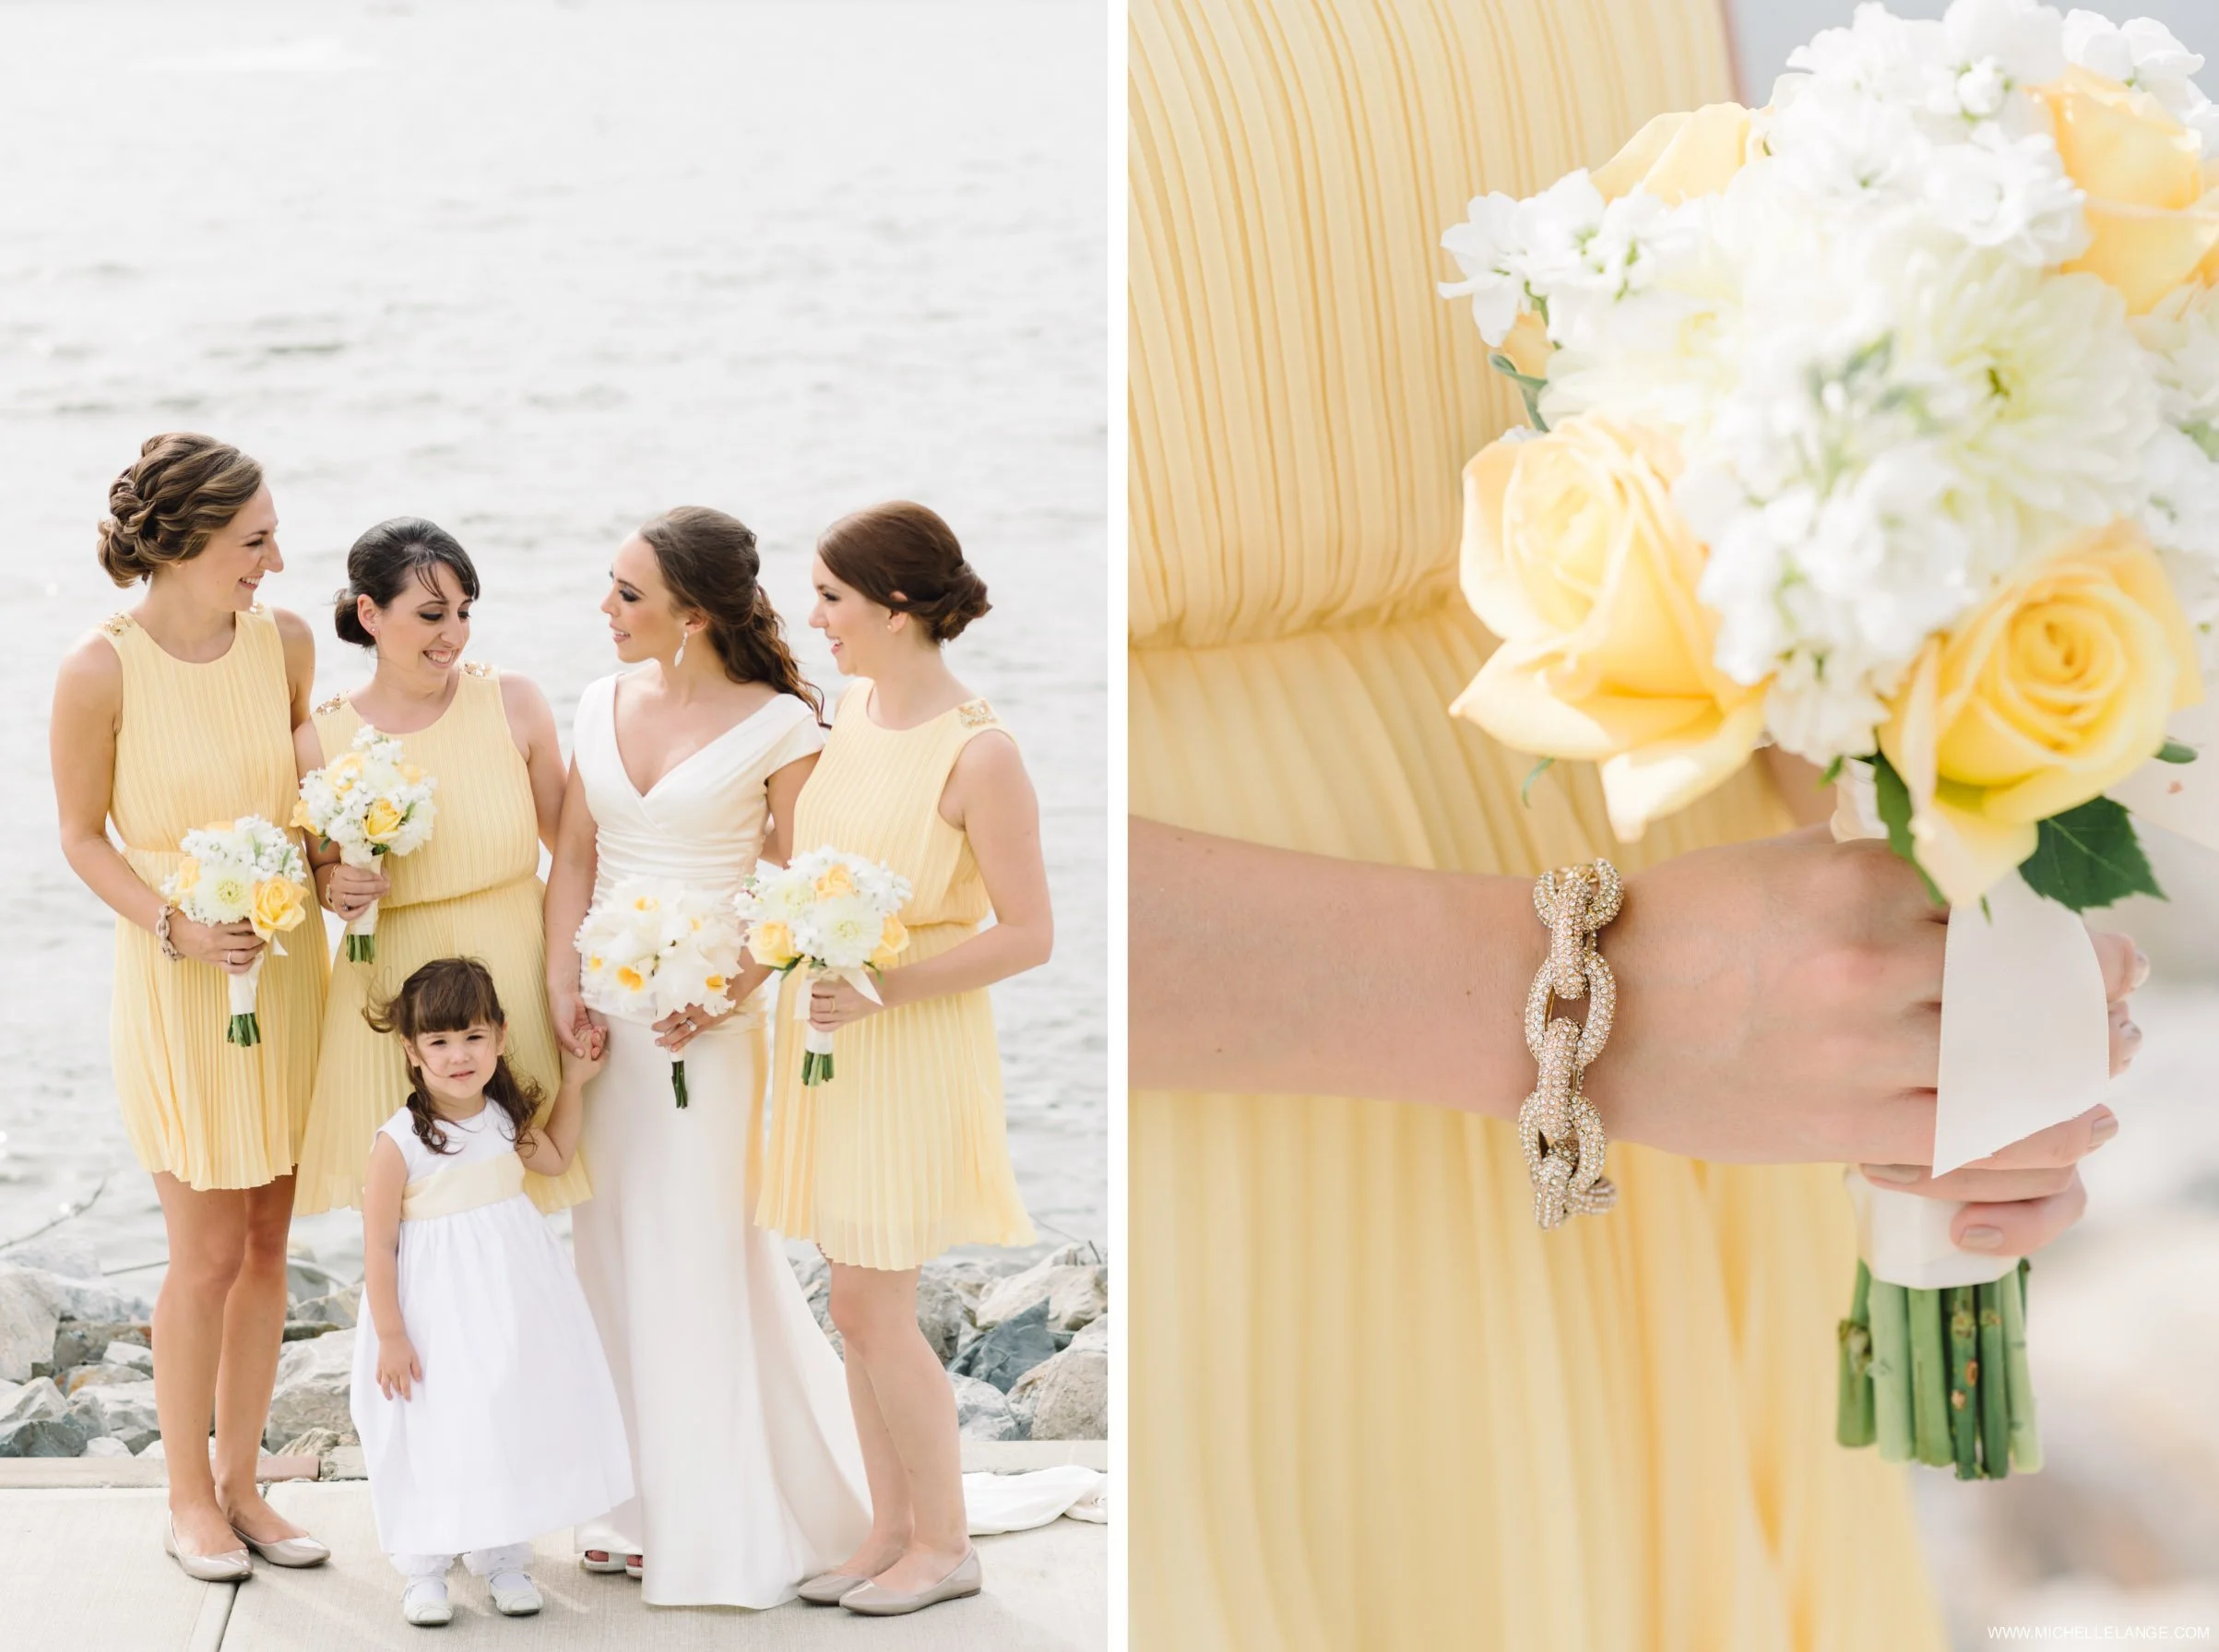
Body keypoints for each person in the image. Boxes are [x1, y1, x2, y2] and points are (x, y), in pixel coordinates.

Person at [1123, 6, 2143, 1647]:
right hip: (1266, 1162)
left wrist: (1912, 791)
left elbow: (1727, 348)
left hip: (1706, 1131)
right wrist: (1602, 998)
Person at [544, 505, 870, 1604]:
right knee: (606, 1250)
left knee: (692, 1253)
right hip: (602, 1024)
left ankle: (717, 1513)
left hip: (709, 1033)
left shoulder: (783, 727)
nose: (606, 610)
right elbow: (575, 861)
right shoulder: (596, 703)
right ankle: (625, 1504)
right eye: (610, 585)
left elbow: (799, 894)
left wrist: (723, 992)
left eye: (628, 594)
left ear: (692, 614)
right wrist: (561, 993)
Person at [757, 502, 1051, 1618]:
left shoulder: (983, 751)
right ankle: (889, 1531)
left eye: (830, 597)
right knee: (852, 1300)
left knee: (879, 1306)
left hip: (910, 1039)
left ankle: (946, 1542)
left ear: (892, 606)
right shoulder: (851, 717)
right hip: (831, 1035)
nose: (814, 616)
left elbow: (1029, 935)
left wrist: (882, 989)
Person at [49, 433, 331, 1578]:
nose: (275, 558)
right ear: (185, 542)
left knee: (268, 1241)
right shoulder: (99, 670)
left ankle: (245, 1484)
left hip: (289, 969)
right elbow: (81, 837)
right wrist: (174, 920)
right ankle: (186, 1501)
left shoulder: (288, 644)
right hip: (177, 976)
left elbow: (313, 796)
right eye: (255, 540)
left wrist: (336, 858)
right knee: (204, 1250)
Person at [293, 518, 585, 1218]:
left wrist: (571, 972)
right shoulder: (320, 737)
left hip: (515, 957)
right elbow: (321, 874)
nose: (452, 633)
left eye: (463, 612)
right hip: (394, 982)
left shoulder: (512, 699)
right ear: (370, 613)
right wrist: (339, 887)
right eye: (431, 614)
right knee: (414, 1201)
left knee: (531, 1181)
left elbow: (575, 848)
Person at [350, 958, 632, 1629]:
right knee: (439, 1420)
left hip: (510, 1295)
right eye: (439, 1043)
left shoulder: (504, 1117)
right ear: (412, 1053)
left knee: (506, 1409)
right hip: (432, 1305)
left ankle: (503, 1553)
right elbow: (379, 1243)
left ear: (501, 1038)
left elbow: (558, 1156)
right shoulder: (400, 1142)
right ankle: (424, 1565)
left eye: (473, 1037)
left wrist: (577, 1081)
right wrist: (391, 1332)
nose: (458, 1056)